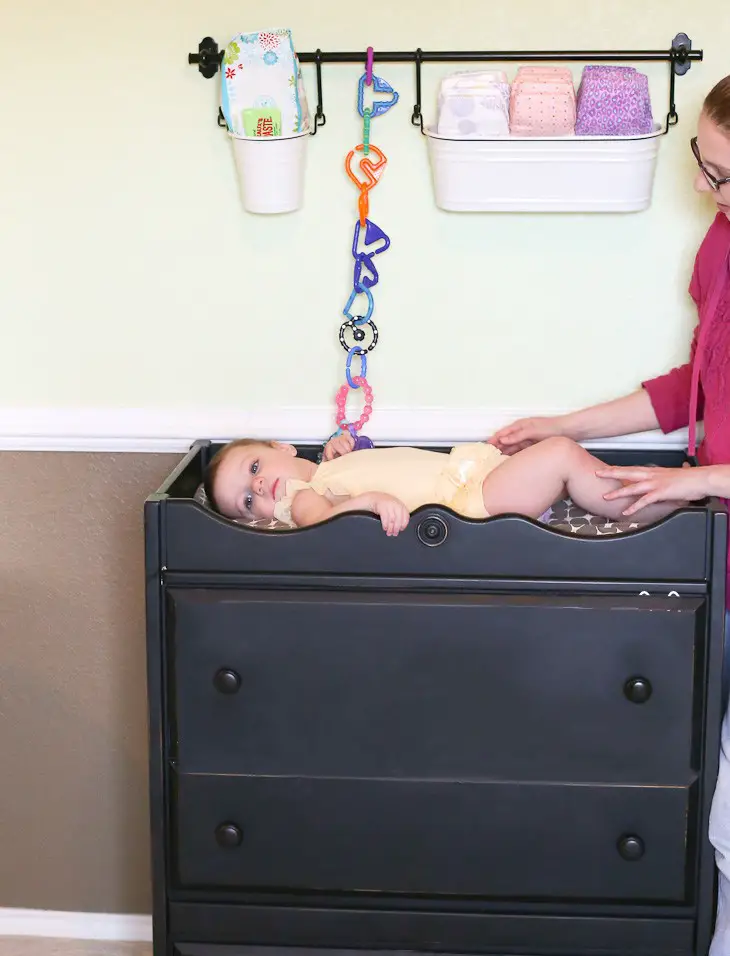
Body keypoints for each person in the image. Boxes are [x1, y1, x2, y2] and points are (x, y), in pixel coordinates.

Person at [490, 75, 730, 956]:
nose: (706, 192)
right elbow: (692, 388)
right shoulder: (720, 246)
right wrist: (567, 425)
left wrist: (697, 483)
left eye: (724, 176)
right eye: (702, 167)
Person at [203, 434, 682, 535]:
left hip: (473, 483)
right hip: (469, 505)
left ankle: (669, 500)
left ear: (281, 446)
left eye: (253, 468)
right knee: (559, 456)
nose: (262, 487)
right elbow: (319, 522)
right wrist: (368, 500)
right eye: (247, 502)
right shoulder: (301, 499)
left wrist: (339, 458)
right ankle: (666, 497)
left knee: (564, 467)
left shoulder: (326, 471)